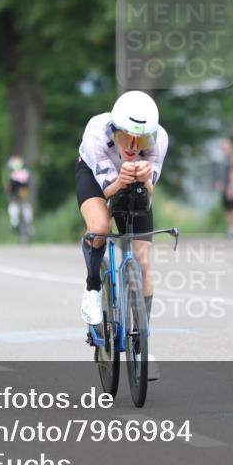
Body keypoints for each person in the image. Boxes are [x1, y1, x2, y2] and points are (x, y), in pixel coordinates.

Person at [76, 91, 168, 335]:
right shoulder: (96, 131)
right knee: (100, 228)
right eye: (126, 137)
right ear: (114, 129)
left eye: (143, 140)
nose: (134, 147)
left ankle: (143, 337)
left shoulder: (160, 139)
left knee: (143, 261)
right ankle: (93, 288)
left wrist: (145, 179)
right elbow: (108, 190)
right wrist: (120, 180)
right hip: (95, 177)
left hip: (135, 180)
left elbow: (150, 192)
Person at [217, 138, 233, 239]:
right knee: (227, 208)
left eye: (225, 145)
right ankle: (231, 228)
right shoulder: (224, 158)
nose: (223, 147)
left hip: (231, 188)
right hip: (225, 188)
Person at [5, 156, 33, 233]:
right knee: (26, 206)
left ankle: (15, 221)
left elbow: (10, 187)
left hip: (16, 192)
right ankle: (29, 225)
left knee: (13, 205)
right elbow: (27, 185)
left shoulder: (13, 174)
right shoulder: (26, 173)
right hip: (24, 192)